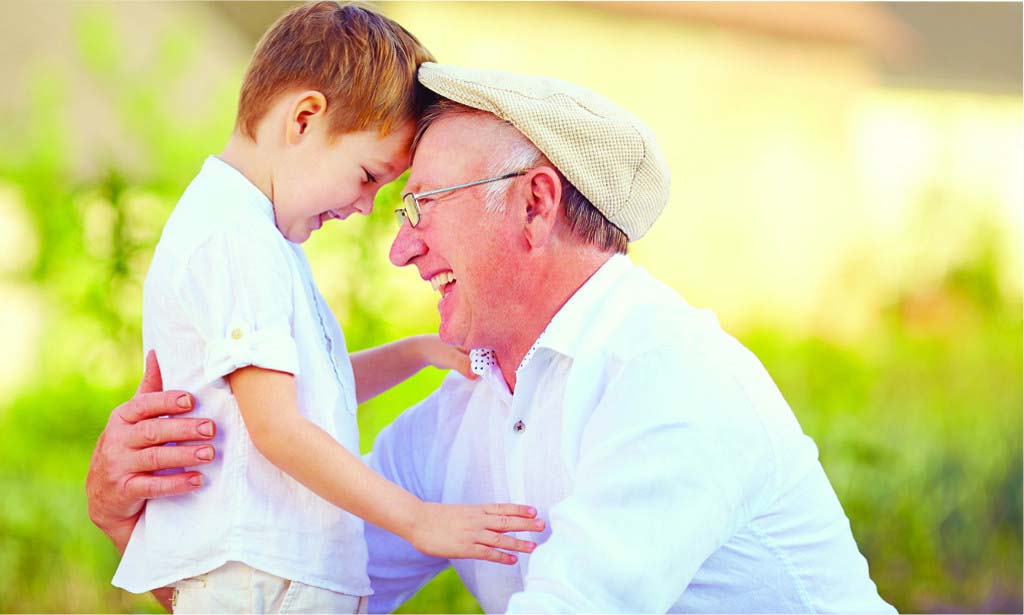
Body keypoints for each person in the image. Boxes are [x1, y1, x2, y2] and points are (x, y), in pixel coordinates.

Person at [89, 61, 896, 613]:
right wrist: (131, 516)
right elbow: (305, 588)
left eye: (423, 206)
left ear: (535, 205)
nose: (401, 247)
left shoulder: (671, 379)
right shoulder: (467, 407)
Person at [110, 5, 542, 614]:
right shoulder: (237, 238)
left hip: (273, 574)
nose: (365, 207)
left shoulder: (256, 233)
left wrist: (419, 353)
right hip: (261, 577)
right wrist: (419, 520)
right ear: (305, 119)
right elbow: (278, 428)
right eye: (367, 176)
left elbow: (310, 394)